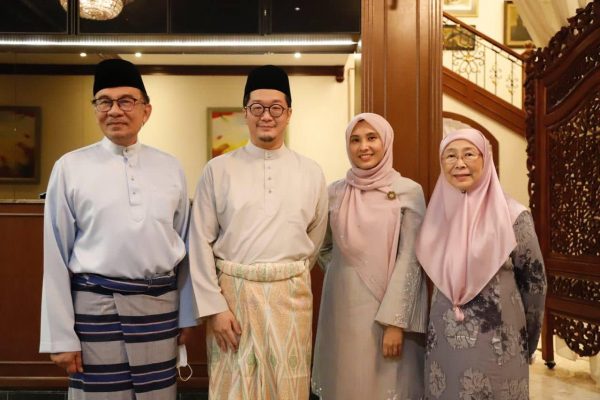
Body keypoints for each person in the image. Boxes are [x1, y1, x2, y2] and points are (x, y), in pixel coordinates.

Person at [40, 58, 196, 399]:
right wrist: (60, 337)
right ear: (95, 108)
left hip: (159, 311)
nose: (114, 110)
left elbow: (185, 246)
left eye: (126, 101)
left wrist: (187, 315)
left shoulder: (171, 167)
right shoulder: (70, 167)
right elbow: (55, 257)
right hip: (95, 310)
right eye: (104, 101)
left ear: (146, 110)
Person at [188, 65, 328, 399]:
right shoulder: (218, 170)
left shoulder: (311, 172)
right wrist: (215, 308)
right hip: (232, 300)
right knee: (233, 388)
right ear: (245, 113)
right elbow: (199, 241)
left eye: (276, 107)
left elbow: (315, 238)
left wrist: (280, 277)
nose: (267, 116)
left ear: (289, 113)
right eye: (258, 107)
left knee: (288, 388)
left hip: (290, 298)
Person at [415, 128, 547, 399]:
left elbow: (535, 284)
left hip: (498, 346)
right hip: (444, 346)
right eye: (450, 156)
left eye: (469, 154)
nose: (459, 163)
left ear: (485, 160)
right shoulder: (436, 217)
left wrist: (528, 339)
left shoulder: (513, 216)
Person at [311, 113, 428, 399]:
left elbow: (411, 261)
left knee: (386, 382)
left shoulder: (408, 191)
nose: (363, 146)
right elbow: (322, 247)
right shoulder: (335, 192)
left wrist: (395, 323)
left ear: (385, 141)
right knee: (345, 381)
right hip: (342, 308)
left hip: (388, 312)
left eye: (372, 138)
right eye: (355, 140)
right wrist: (348, 269)